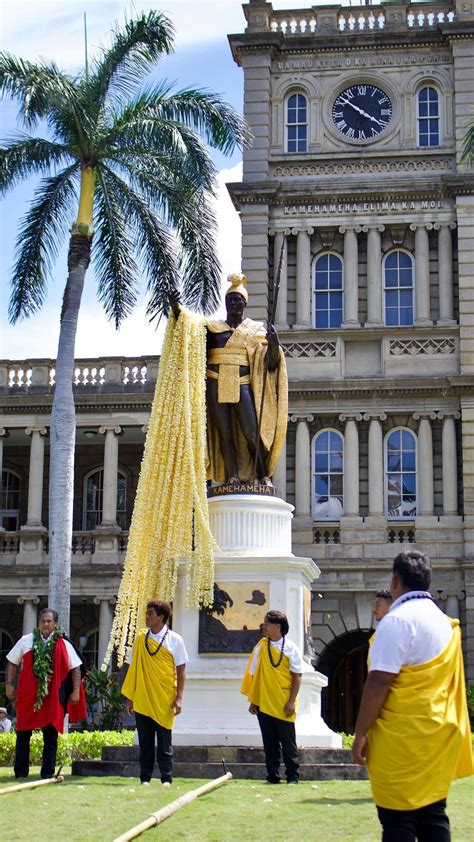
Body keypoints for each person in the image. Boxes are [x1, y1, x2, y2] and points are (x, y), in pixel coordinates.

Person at [352, 550, 473, 841]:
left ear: (395, 582)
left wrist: (360, 734)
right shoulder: (445, 622)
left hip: (401, 741)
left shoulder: (397, 621)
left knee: (397, 821)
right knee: (433, 815)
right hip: (438, 735)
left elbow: (379, 682)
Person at [173, 273, 288, 485]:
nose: (234, 304)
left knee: (251, 433)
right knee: (224, 433)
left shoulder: (254, 331)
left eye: (237, 300)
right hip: (215, 383)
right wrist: (175, 308)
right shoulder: (213, 328)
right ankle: (232, 474)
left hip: (242, 383)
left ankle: (263, 474)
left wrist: (273, 344)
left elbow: (271, 364)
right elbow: (189, 331)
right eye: (230, 300)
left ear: (244, 305)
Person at [5, 608, 86, 778]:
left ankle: (47, 773)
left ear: (55, 624)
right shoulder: (26, 640)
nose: (45, 624)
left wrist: (76, 690)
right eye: (43, 621)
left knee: (50, 737)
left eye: (49, 621)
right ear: (38, 623)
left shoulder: (63, 644)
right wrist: (9, 684)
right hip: (28, 696)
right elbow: (12, 662)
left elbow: (76, 668)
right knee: (23, 735)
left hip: (52, 698)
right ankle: (20, 773)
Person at [121, 600, 189, 786]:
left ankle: (166, 777)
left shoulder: (175, 639)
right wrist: (130, 697)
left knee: (165, 742)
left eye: (150, 613)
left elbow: (181, 670)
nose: (147, 616)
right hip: (142, 696)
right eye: (147, 612)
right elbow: (134, 668)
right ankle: (145, 778)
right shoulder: (141, 639)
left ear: (161, 617)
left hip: (164, 697)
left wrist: (179, 697)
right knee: (145, 742)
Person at [241, 610, 302, 785]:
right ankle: (272, 776)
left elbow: (297, 676)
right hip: (263, 701)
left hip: (283, 702)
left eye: (267, 623)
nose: (264, 626)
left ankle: (293, 776)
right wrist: (254, 700)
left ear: (277, 626)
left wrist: (291, 701)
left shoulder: (291, 648)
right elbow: (254, 673)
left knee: (288, 742)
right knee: (269, 742)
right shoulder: (261, 647)